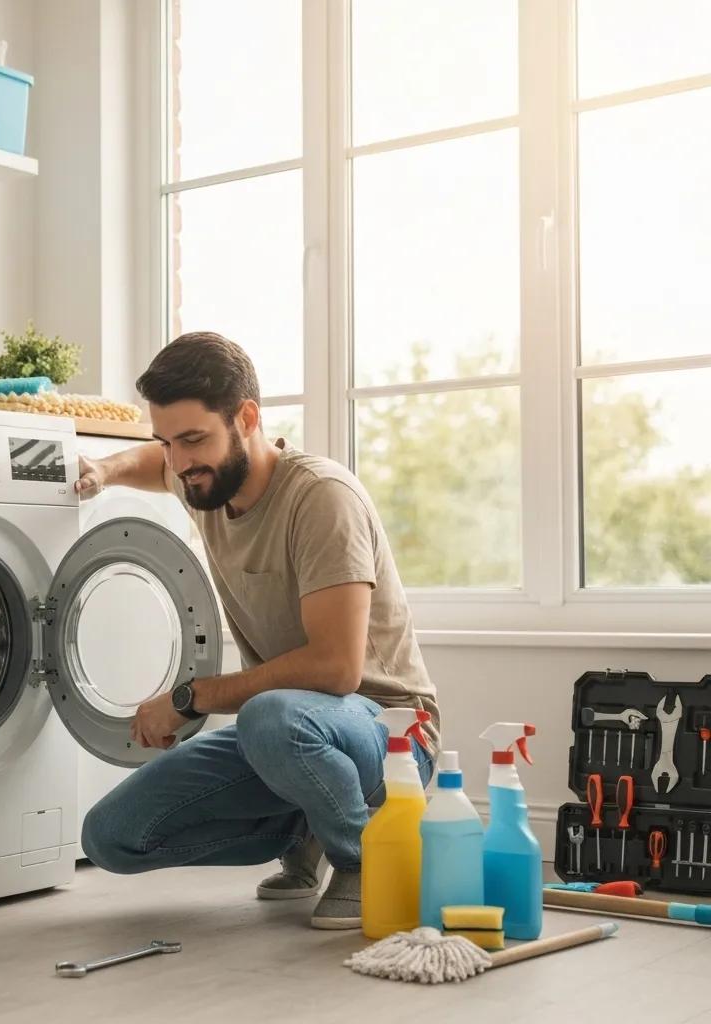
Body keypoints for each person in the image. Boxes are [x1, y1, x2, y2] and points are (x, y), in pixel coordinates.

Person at [76, 332, 440, 929]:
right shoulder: (202, 481)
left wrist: (190, 699)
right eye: (167, 441)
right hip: (289, 734)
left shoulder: (320, 498)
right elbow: (154, 465)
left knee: (267, 715)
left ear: (246, 419)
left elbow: (336, 670)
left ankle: (368, 861)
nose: (179, 461)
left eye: (193, 439)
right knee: (111, 838)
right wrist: (104, 469)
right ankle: (311, 826)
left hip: (390, 732)